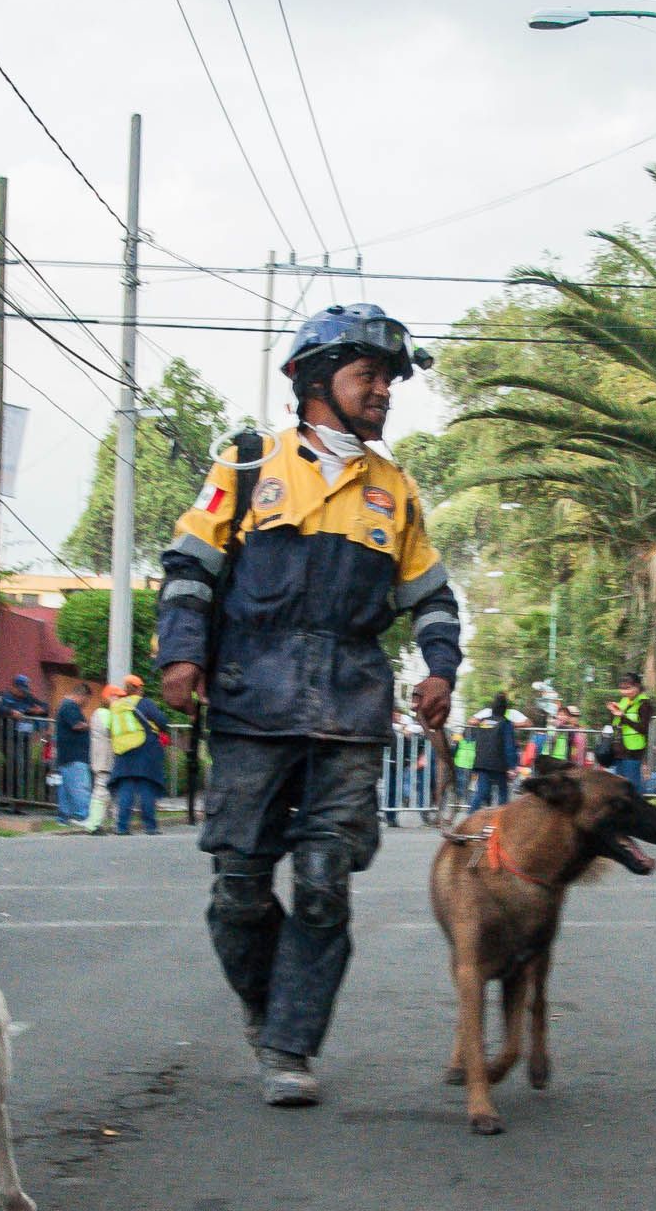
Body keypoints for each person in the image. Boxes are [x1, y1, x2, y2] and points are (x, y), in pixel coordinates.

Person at [158, 303, 460, 1109]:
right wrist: (180, 652)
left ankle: (290, 1045)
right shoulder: (249, 466)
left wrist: (440, 669)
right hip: (251, 711)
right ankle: (267, 1004)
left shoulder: (395, 491)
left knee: (324, 881)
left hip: (349, 719)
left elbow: (430, 595)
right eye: (369, 376)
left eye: (389, 380)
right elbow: (190, 567)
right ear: (316, 380)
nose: (383, 392)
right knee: (239, 890)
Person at [108, 675, 169, 835]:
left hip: (123, 751)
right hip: (145, 749)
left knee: (126, 789)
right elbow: (162, 721)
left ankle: (122, 827)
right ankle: (150, 827)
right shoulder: (145, 703)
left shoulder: (116, 707)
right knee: (146, 787)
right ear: (139, 688)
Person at [604, 671, 655, 791]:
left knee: (632, 786)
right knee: (619, 787)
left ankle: (638, 808)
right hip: (619, 751)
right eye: (622, 688)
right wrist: (613, 711)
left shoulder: (644, 704)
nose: (625, 692)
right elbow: (615, 723)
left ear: (637, 686)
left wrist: (623, 717)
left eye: (628, 688)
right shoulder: (624, 702)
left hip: (633, 751)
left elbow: (643, 728)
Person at [466, 697, 517, 812]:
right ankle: (500, 822)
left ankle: (469, 819)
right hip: (498, 765)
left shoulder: (483, 722)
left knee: (481, 792)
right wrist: (511, 767)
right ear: (505, 709)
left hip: (482, 762)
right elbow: (509, 746)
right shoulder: (506, 724)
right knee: (503, 793)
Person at [52, 688, 94, 826]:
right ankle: (83, 816)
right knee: (80, 786)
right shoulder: (70, 706)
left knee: (66, 789)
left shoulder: (64, 705)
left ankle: (64, 817)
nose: (87, 703)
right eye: (87, 700)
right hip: (75, 755)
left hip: (66, 755)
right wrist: (90, 726)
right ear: (82, 696)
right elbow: (77, 725)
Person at [85, 684, 117, 832]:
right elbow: (114, 731)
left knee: (104, 790)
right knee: (101, 790)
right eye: (117, 697)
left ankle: (99, 822)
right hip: (105, 758)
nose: (119, 700)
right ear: (109, 698)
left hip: (101, 757)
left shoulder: (99, 713)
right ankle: (94, 824)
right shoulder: (106, 714)